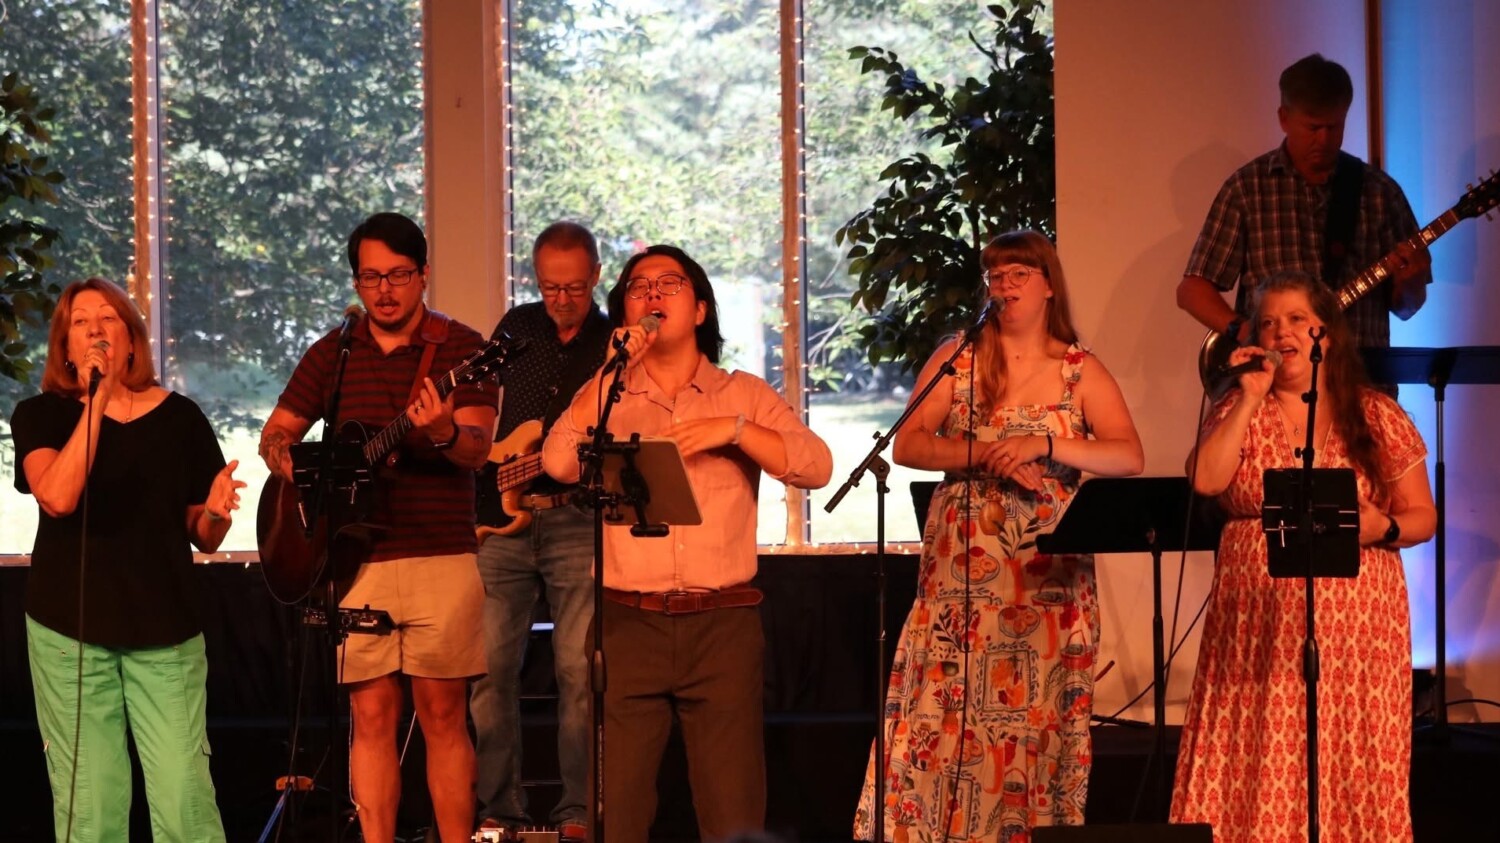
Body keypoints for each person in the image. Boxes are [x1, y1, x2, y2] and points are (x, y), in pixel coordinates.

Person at [853, 231, 1145, 841]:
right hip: (962, 568)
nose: (1005, 286)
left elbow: (1128, 455)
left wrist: (1044, 443)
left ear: (1048, 286)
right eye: (996, 276)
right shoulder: (959, 357)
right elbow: (908, 444)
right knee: (948, 709)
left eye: (1018, 274)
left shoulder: (1079, 369)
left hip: (1045, 577)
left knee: (1035, 716)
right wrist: (987, 453)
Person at [541, 244, 833, 843]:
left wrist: (736, 431)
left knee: (733, 810)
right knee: (618, 813)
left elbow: (816, 466)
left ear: (700, 309)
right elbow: (558, 463)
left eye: (669, 283)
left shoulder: (742, 393)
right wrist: (609, 371)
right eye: (637, 286)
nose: (651, 293)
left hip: (721, 624)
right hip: (627, 623)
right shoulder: (610, 396)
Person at [258, 212, 499, 843]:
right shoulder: (334, 351)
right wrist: (293, 465)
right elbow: (276, 432)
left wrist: (443, 431)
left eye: (398, 275)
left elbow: (477, 449)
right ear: (356, 282)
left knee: (443, 715)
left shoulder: (465, 348)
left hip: (440, 555)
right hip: (354, 560)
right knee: (369, 716)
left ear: (424, 275)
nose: (385, 290)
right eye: (371, 278)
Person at [1170, 271, 1435, 842]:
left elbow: (1423, 516)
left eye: (1296, 319)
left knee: (1347, 748)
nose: (1280, 332)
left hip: (1358, 628)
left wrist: (1383, 527)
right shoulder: (1237, 406)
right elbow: (1207, 480)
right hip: (1256, 621)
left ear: (1327, 334)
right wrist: (1248, 396)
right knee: (1259, 743)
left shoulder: (1376, 413)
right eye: (1268, 322)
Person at [12, 277, 244, 842]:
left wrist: (215, 512)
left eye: (108, 318)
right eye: (80, 322)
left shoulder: (181, 417)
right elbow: (58, 497)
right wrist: (97, 402)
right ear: (66, 348)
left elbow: (205, 535)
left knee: (185, 797)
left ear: (133, 339)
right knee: (90, 803)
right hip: (69, 634)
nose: (95, 329)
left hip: (165, 630)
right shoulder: (40, 415)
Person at [471, 221, 612, 838]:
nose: (562, 299)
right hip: (502, 520)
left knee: (578, 674)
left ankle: (577, 811)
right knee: (488, 671)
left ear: (596, 277)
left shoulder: (613, 341)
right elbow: (482, 410)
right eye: (551, 287)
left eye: (574, 288)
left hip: (575, 516)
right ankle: (500, 810)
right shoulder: (516, 328)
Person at [1176, 53, 1431, 357]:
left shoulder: (1380, 192)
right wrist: (1242, 331)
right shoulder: (1247, 189)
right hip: (1276, 378)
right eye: (1313, 128)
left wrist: (1412, 283)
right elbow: (1192, 291)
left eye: (1334, 127)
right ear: (1284, 118)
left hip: (1360, 376)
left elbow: (1406, 309)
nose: (1324, 140)